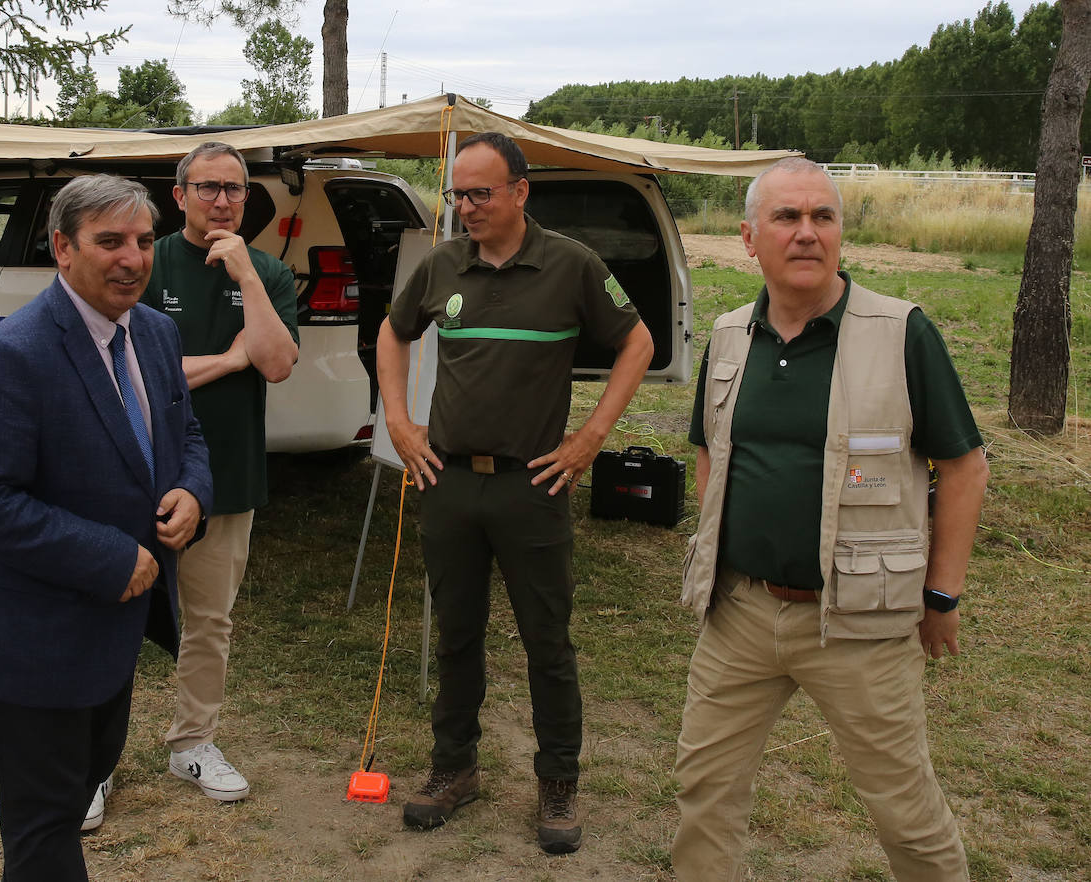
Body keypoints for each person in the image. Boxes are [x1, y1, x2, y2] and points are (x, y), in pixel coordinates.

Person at [674, 157, 988, 881]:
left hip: (861, 624)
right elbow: (708, 453)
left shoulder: (902, 332)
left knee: (903, 809)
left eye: (824, 216)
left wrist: (941, 597)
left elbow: (965, 469)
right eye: (788, 218)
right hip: (742, 615)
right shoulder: (728, 336)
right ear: (751, 238)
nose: (807, 233)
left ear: (841, 233)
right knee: (704, 791)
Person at [0, 174, 213, 881]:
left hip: (110, 636)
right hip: (32, 639)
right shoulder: (13, 355)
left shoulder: (154, 331)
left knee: (83, 779)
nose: (133, 259)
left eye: (144, 241)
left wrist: (191, 493)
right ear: (62, 247)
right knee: (44, 827)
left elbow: (189, 434)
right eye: (109, 241)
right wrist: (110, 556)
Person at [377, 131, 655, 854]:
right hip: (449, 481)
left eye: (481, 193)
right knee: (457, 634)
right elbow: (392, 330)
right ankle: (453, 769)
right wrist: (401, 423)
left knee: (546, 642)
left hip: (534, 485)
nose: (466, 207)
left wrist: (591, 437)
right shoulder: (443, 265)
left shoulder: (572, 264)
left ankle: (558, 782)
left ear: (520, 191)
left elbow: (639, 342)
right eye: (458, 194)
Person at [141, 141, 299, 803]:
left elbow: (277, 362)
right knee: (113, 616)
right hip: (141, 470)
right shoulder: (146, 265)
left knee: (209, 620)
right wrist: (227, 362)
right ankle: (89, 760)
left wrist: (248, 279)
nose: (222, 200)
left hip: (227, 473)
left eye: (234, 189)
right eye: (207, 188)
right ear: (180, 197)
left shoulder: (266, 272)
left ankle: (193, 743)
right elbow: (138, 378)